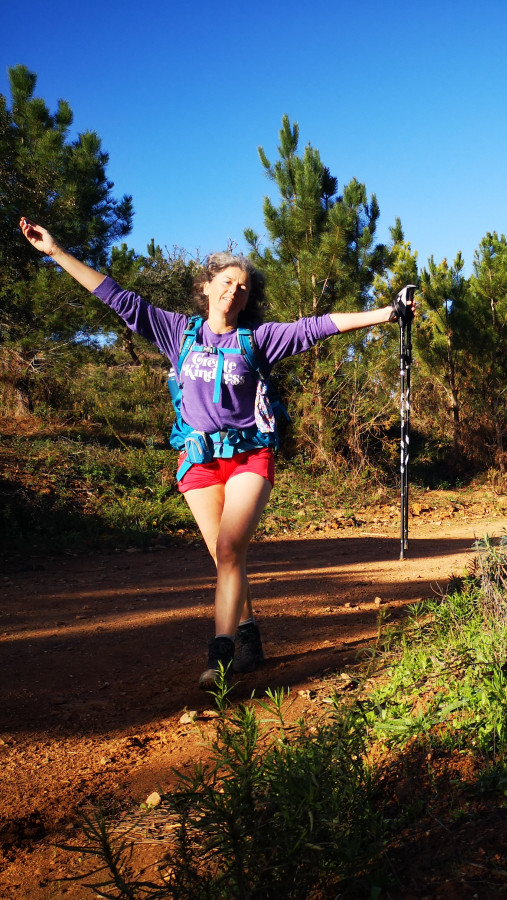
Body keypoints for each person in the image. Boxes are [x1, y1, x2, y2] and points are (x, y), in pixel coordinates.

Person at [19, 217, 413, 688]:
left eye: (243, 288)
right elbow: (116, 297)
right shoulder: (176, 332)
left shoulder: (258, 339)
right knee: (224, 557)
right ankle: (249, 637)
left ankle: (219, 657)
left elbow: (320, 327)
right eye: (227, 282)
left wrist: (388, 313)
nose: (234, 292)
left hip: (249, 456)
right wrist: (57, 252)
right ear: (206, 287)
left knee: (229, 549)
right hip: (198, 459)